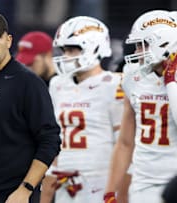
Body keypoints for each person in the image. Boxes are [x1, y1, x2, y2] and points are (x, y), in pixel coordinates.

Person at [0, 11, 61, 203]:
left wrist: (26, 189)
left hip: (13, 197)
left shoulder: (29, 83)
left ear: (8, 40)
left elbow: (50, 140)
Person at [40, 16, 124, 203]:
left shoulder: (113, 84)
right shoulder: (57, 84)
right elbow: (54, 141)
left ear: (94, 47)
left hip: (101, 182)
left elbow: (123, 143)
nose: (66, 55)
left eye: (72, 49)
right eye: (64, 49)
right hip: (65, 183)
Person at [103, 10, 177, 203]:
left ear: (163, 43)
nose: (136, 53)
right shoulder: (133, 76)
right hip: (143, 182)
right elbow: (126, 142)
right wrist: (110, 192)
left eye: (141, 45)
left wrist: (171, 83)